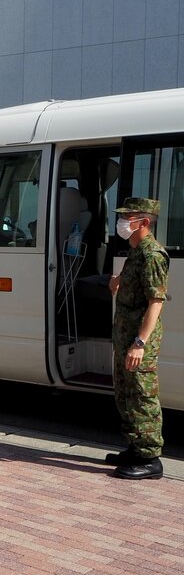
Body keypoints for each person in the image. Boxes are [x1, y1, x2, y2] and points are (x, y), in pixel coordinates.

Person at [105, 197, 168, 480]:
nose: (122, 222)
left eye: (128, 217)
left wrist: (140, 343)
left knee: (142, 397)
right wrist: (117, 284)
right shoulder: (135, 251)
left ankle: (151, 459)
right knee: (125, 395)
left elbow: (156, 302)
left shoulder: (152, 254)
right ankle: (135, 448)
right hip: (124, 338)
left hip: (137, 342)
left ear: (143, 222)